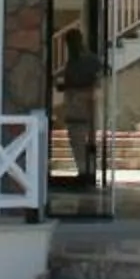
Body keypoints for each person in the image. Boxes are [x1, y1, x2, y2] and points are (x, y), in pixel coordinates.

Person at [54, 26, 105, 189]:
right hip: (79, 104)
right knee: (79, 140)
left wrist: (72, 86)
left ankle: (86, 172)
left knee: (81, 140)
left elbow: (98, 80)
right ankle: (84, 171)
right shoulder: (78, 60)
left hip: (82, 104)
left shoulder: (86, 60)